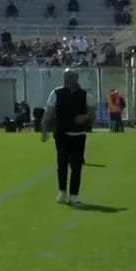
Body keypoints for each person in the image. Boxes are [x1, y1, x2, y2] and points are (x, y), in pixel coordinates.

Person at [40, 69, 96, 205]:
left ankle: (74, 195)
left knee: (76, 166)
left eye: (69, 77)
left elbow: (93, 115)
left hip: (79, 135)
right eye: (65, 77)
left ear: (75, 78)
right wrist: (44, 130)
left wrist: (85, 117)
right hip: (61, 134)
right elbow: (49, 113)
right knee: (62, 163)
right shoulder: (56, 93)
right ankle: (62, 191)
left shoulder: (85, 95)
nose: (66, 79)